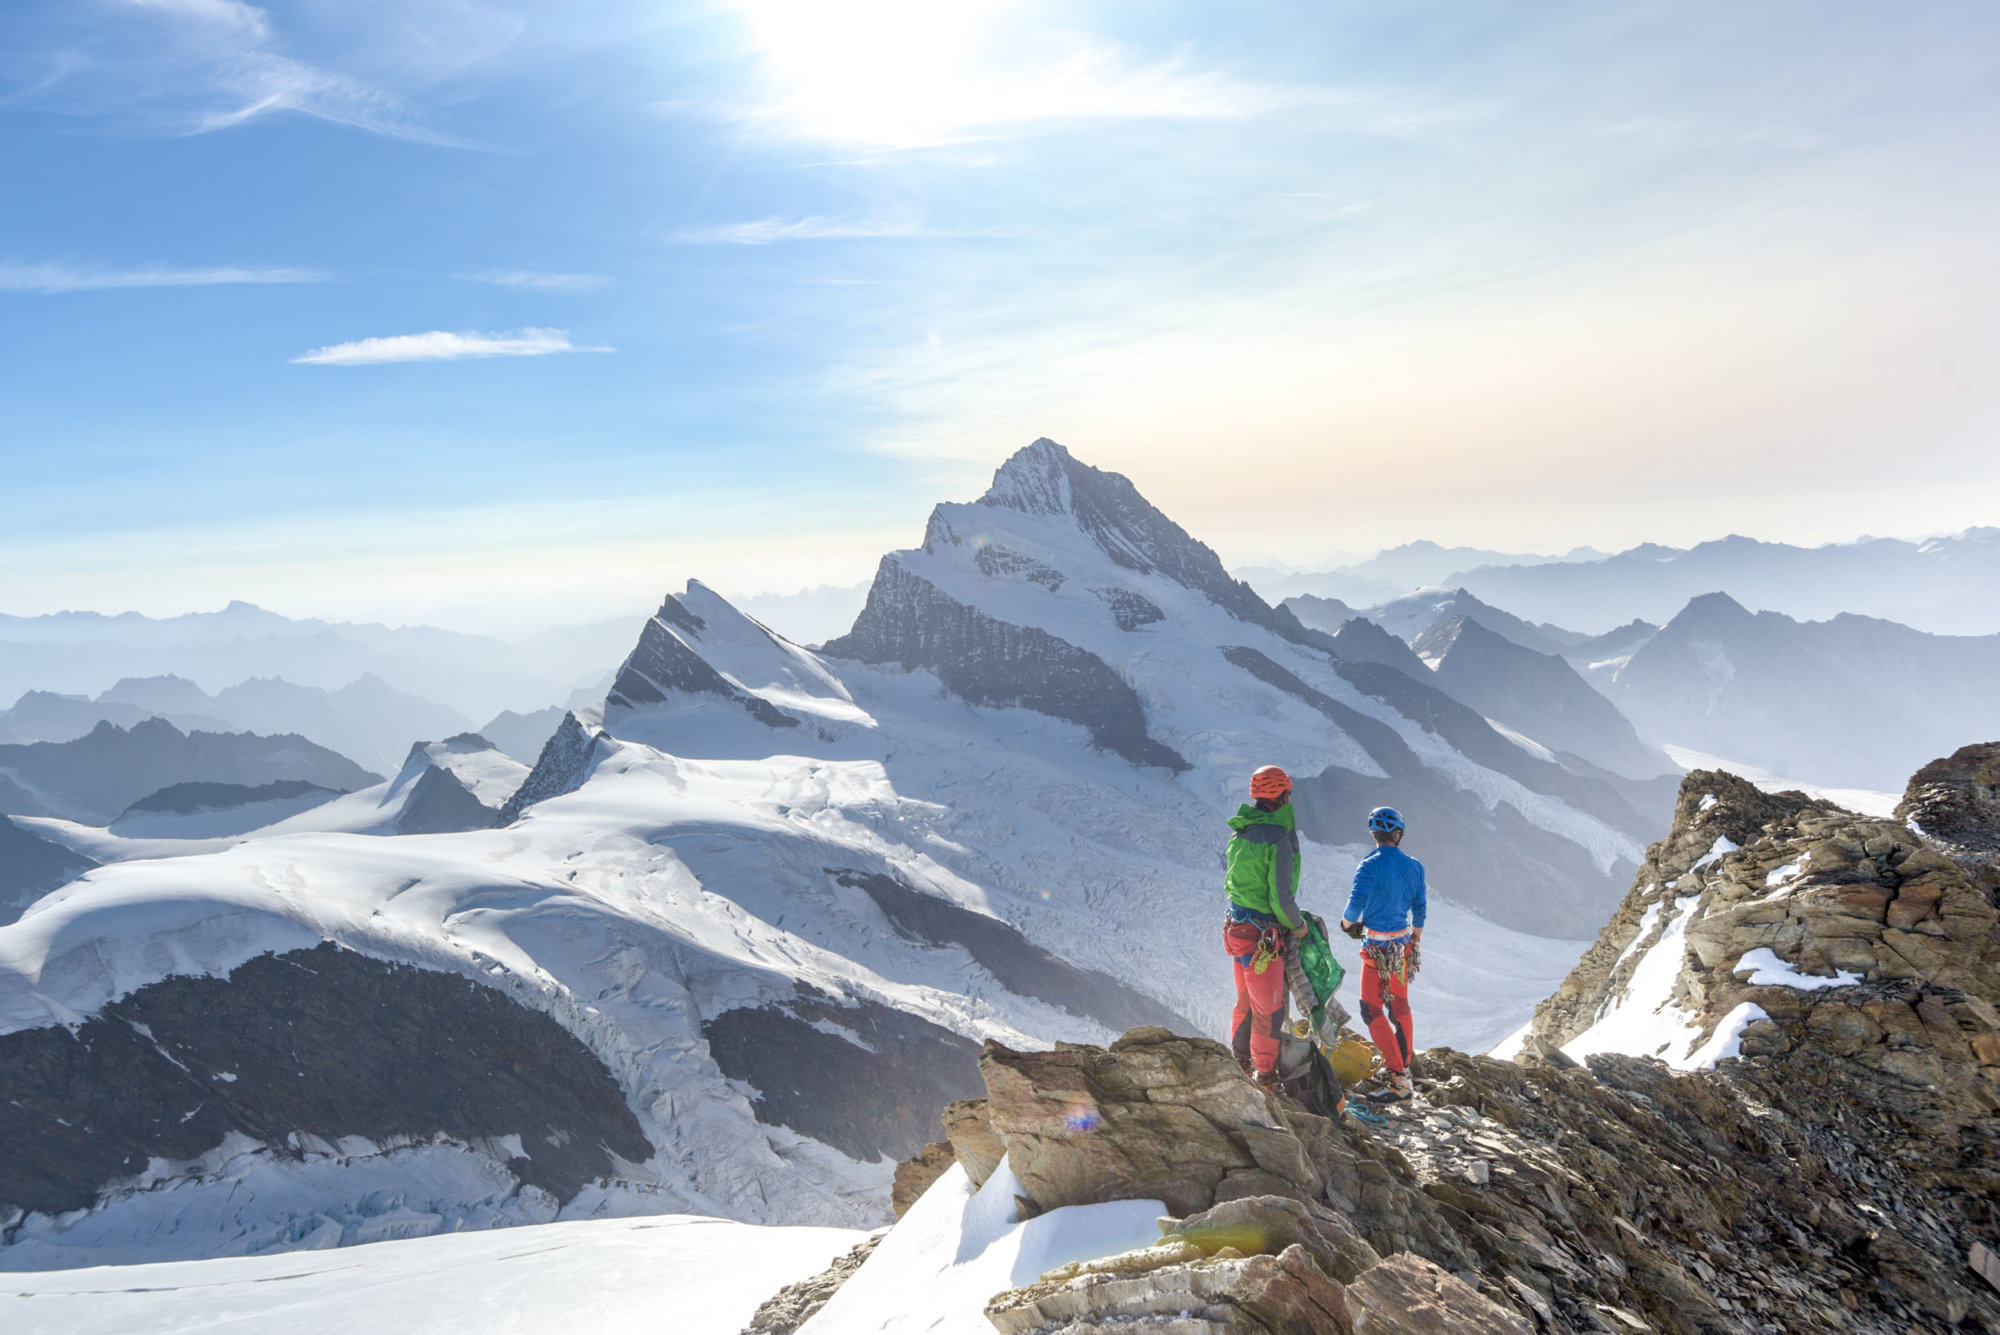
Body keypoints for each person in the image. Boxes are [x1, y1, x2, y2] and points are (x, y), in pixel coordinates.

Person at [1222, 765, 1305, 1084]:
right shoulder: (1277, 839)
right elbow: (1280, 898)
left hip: (1237, 931)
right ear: (1283, 795)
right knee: (1269, 1010)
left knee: (1245, 999)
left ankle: (1240, 1063)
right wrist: (1297, 925)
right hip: (1263, 938)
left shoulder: (1239, 832)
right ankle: (1265, 1075)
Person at [1340, 806, 1425, 1103]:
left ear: (1374, 834)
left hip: (1375, 950)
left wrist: (1347, 925)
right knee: (1399, 1006)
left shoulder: (1368, 865)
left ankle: (1398, 1079)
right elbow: (1420, 908)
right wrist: (1413, 940)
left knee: (1371, 1010)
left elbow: (1354, 907)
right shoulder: (1414, 865)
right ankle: (1404, 1069)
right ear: (1398, 834)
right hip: (1402, 947)